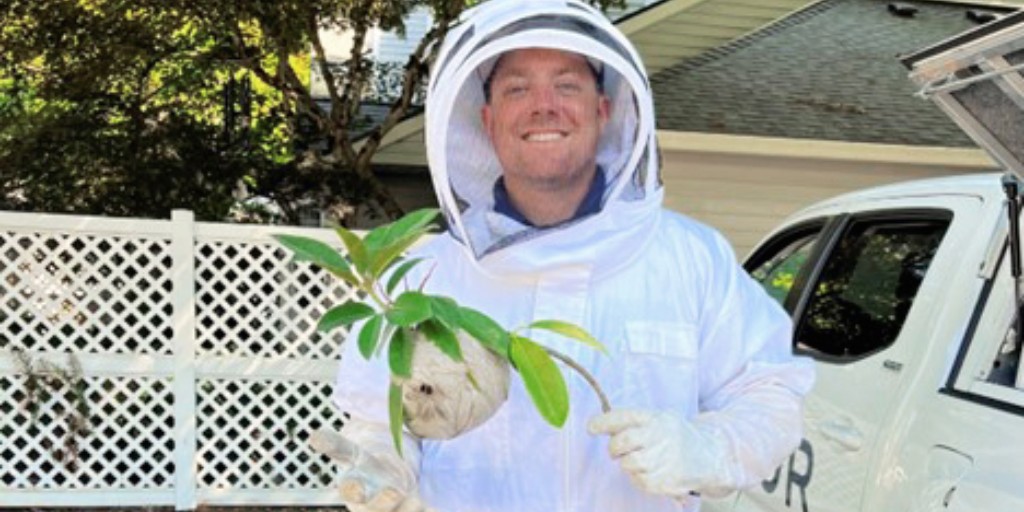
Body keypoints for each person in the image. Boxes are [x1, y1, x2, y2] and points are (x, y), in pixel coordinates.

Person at [328, 1, 815, 511]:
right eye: (518, 88)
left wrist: (709, 448)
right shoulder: (424, 277)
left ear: (604, 111)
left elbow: (770, 395)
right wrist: (385, 459)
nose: (544, 106)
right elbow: (375, 414)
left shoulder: (691, 260)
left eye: (567, 85)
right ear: (487, 120)